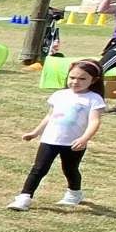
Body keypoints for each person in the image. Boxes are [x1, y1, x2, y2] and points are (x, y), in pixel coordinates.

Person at [9, 59, 106, 211]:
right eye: (72, 77)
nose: (75, 82)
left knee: (70, 169)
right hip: (50, 139)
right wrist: (35, 133)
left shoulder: (94, 99)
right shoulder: (59, 95)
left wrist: (84, 138)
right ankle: (24, 197)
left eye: (82, 79)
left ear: (93, 80)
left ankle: (74, 193)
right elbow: (49, 116)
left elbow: (94, 122)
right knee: (39, 169)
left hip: (74, 143)